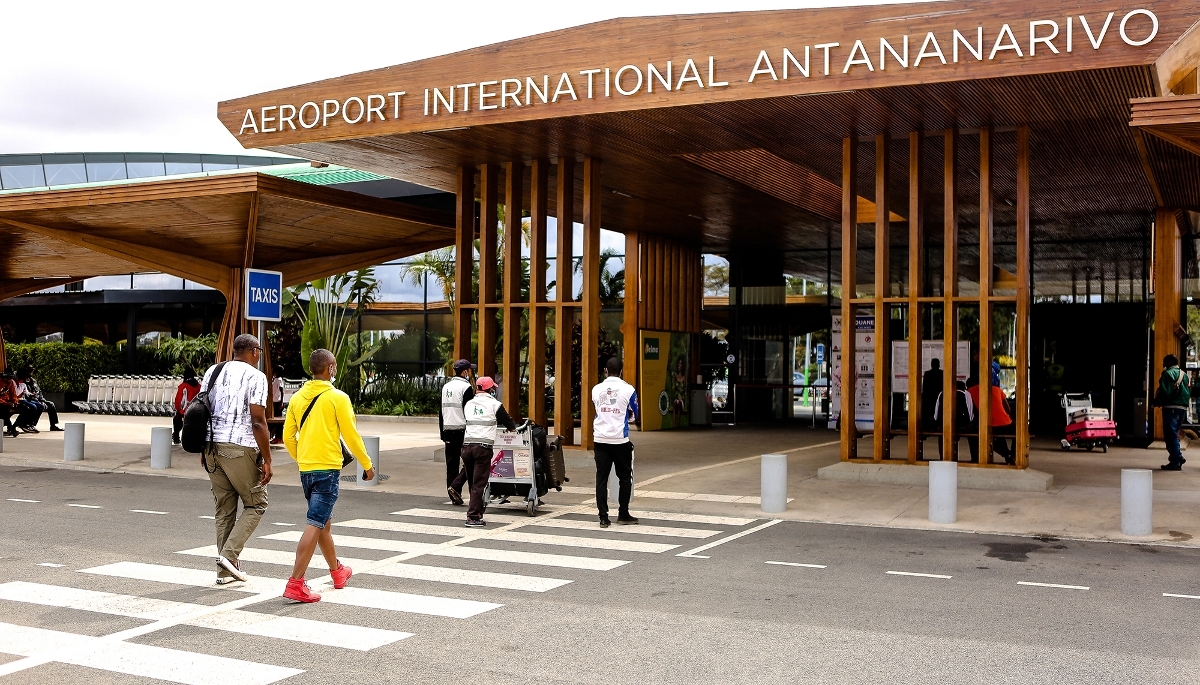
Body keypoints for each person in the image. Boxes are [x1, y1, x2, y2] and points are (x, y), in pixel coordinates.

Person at [281, 348, 375, 603]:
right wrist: (367, 464)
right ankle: (296, 583)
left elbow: (289, 437)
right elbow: (351, 435)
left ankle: (337, 571)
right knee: (315, 522)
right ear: (331, 368)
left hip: (306, 469)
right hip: (327, 469)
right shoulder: (338, 397)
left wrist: (301, 457)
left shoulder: (298, 397)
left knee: (323, 522)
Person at [200, 333, 273, 585]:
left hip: (211, 446)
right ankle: (229, 556)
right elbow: (257, 421)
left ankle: (224, 573)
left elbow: (202, 411)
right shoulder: (257, 377)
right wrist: (267, 459)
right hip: (239, 447)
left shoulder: (213, 372)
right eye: (259, 351)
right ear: (253, 351)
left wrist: (203, 449)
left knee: (224, 509)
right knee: (256, 504)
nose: (259, 355)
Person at [459, 376, 516, 527]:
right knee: (479, 484)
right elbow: (509, 422)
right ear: (490, 389)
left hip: (466, 447)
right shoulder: (495, 404)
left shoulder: (468, 404)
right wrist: (512, 428)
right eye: (493, 389)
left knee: (473, 483)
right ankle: (473, 517)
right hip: (482, 449)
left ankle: (476, 510)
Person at [591, 356, 640, 528]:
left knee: (601, 479)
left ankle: (603, 518)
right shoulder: (629, 389)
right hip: (620, 440)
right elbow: (635, 413)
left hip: (600, 439)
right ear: (621, 371)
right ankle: (623, 513)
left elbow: (596, 409)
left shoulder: (596, 389)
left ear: (605, 370)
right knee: (625, 477)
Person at [442, 359, 477, 506]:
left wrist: (442, 432)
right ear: (464, 372)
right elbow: (468, 410)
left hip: (448, 429)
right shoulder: (466, 387)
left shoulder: (446, 386)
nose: (471, 373)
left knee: (451, 464)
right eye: (470, 370)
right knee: (470, 461)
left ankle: (453, 494)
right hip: (463, 429)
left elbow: (441, 411)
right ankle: (456, 486)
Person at [967, 361, 1015, 465]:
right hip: (1005, 423)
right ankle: (1013, 454)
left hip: (986, 424)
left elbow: (971, 410)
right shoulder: (997, 389)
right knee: (1019, 431)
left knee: (983, 435)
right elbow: (1008, 409)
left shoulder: (970, 391)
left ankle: (1005, 454)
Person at [1157, 354, 1191, 471]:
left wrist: (1155, 402)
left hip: (1171, 407)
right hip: (1182, 408)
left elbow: (1165, 393)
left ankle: (1177, 459)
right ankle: (1176, 459)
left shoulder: (1167, 374)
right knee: (1174, 434)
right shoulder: (1184, 374)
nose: (1163, 365)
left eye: (1164, 362)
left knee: (1170, 435)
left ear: (1169, 362)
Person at [933, 380, 976, 460]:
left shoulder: (942, 393)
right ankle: (975, 457)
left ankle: (943, 456)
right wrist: (969, 422)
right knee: (974, 435)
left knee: (942, 436)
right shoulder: (966, 393)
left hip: (945, 425)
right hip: (962, 426)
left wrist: (939, 423)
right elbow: (970, 411)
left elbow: (936, 413)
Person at [17, 366, 62, 432]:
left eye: (32, 371)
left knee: (50, 404)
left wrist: (42, 400)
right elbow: (25, 394)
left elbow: (39, 391)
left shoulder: (33, 381)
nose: (31, 373)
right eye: (30, 371)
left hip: (38, 399)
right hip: (30, 399)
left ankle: (53, 425)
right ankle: (30, 424)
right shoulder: (23, 381)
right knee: (38, 406)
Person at [172, 370, 201, 445]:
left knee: (176, 419)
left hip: (186, 410)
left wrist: (179, 410)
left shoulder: (184, 386)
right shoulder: (199, 386)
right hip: (197, 410)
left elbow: (179, 400)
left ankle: (176, 437)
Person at [921, 358, 944, 432]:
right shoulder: (942, 373)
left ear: (931, 365)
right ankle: (938, 425)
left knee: (930, 412)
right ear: (939, 365)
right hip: (939, 395)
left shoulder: (927, 373)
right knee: (939, 411)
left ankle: (929, 426)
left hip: (929, 396)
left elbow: (925, 386)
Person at [0, 372, 22, 438]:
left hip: (8, 401)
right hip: (1, 402)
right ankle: (12, 429)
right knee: (4, 412)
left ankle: (15, 425)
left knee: (25, 408)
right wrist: (5, 403)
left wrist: (15, 401)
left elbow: (13, 394)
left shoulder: (11, 382)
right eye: (8, 378)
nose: (10, 380)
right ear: (4, 378)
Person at [270, 375, 284, 444]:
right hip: (273, 401)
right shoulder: (273, 379)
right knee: (273, 419)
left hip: (277, 401)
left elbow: (282, 391)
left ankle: (279, 437)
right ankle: (275, 436)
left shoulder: (279, 379)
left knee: (278, 420)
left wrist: (281, 402)